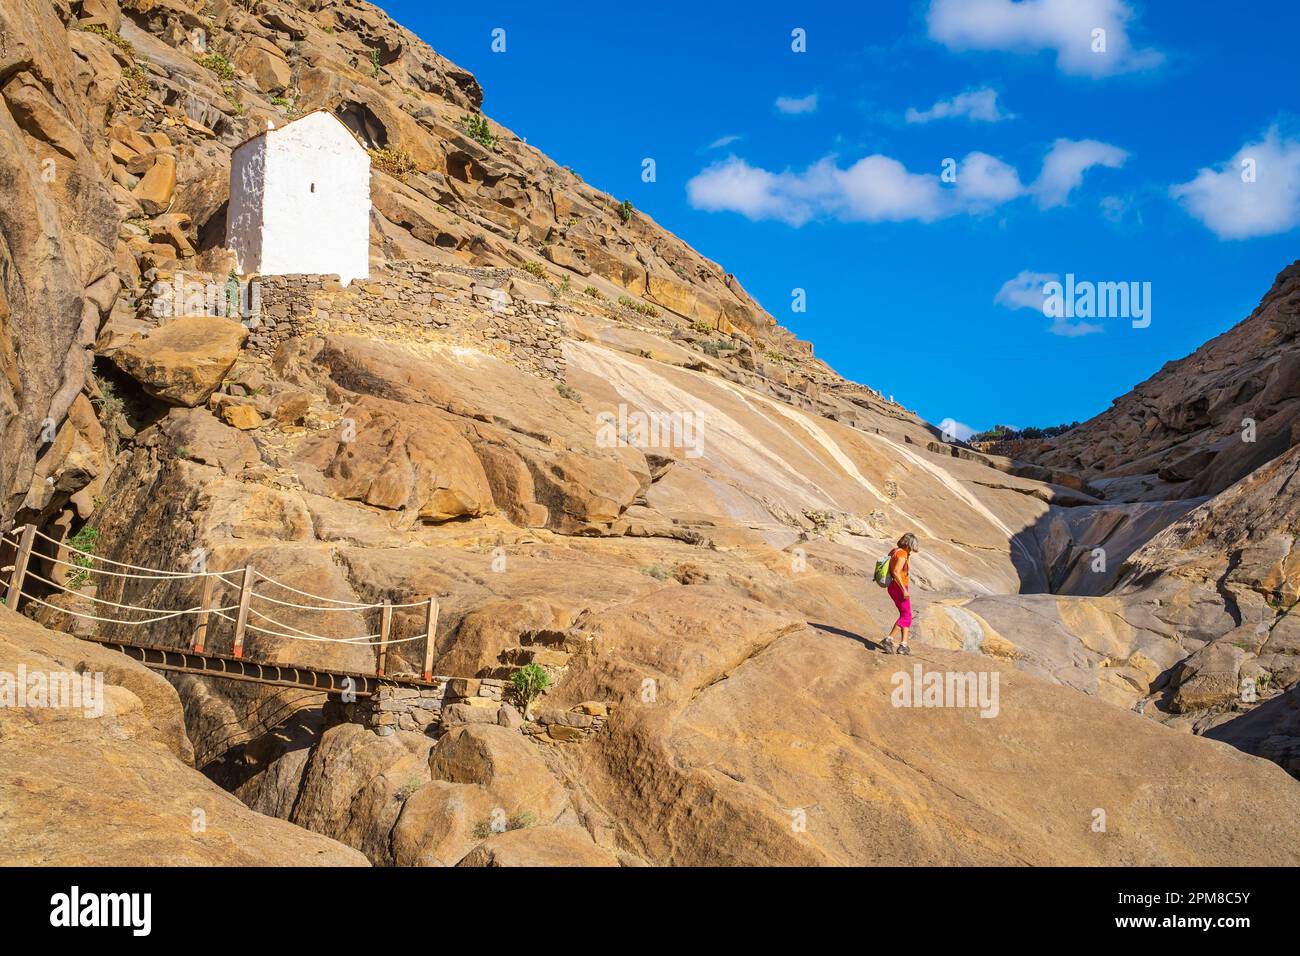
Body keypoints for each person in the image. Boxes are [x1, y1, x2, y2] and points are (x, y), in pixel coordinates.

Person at [882, 533, 918, 655]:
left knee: (905, 614)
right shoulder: (902, 553)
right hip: (899, 587)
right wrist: (904, 589)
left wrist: (909, 556)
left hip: (892, 586)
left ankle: (903, 645)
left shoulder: (894, 551)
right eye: (913, 545)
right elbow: (896, 572)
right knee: (907, 615)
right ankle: (889, 639)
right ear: (910, 544)